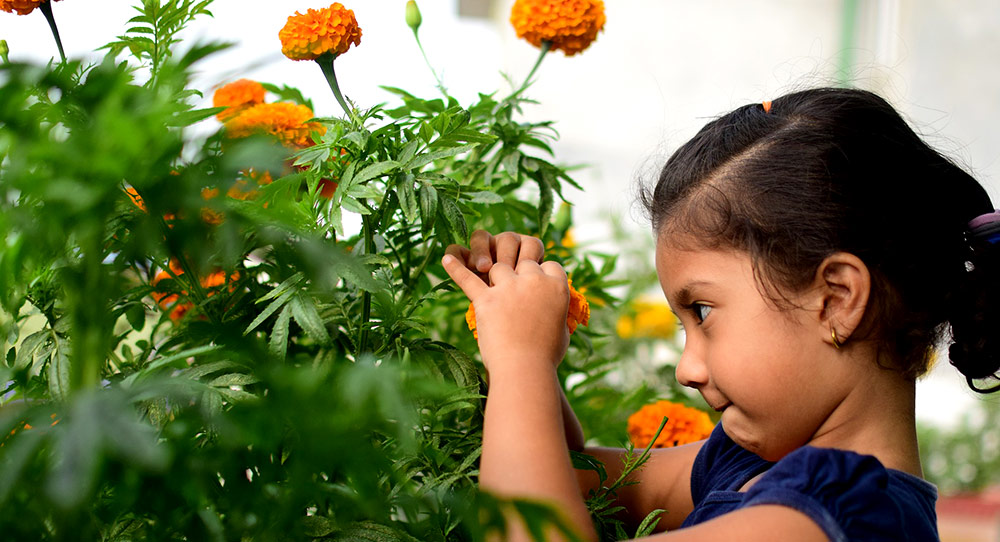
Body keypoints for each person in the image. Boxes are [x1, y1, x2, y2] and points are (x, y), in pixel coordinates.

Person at [441, 87, 1000, 542]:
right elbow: (579, 476)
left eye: (702, 311)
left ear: (836, 299)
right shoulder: (745, 460)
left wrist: (519, 358)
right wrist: (516, 336)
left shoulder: (848, 516)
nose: (686, 369)